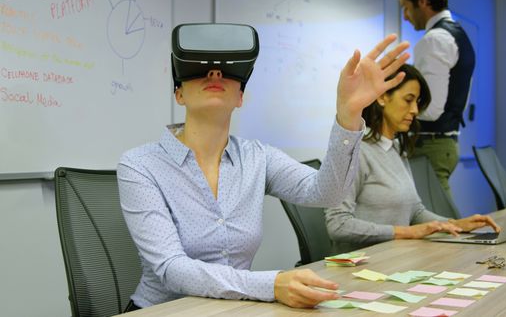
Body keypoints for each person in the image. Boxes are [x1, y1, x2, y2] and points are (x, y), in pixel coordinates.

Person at [117, 26, 410, 310]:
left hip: (235, 309)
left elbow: (327, 194)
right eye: (199, 69)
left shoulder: (258, 158)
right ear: (178, 94)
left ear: (241, 97)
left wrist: (348, 114)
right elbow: (172, 268)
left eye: (228, 71)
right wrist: (272, 285)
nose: (215, 73)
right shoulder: (140, 165)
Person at [325, 64, 498, 253]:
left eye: (417, 102)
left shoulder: (396, 148)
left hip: (395, 258)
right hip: (363, 267)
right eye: (408, 100)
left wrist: (454, 224)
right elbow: (338, 225)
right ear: (382, 97)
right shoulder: (354, 152)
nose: (415, 110)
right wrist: (406, 232)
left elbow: (415, 212)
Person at [389, 0, 476, 199]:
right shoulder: (459, 35)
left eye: (406, 8)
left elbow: (430, 108)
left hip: (430, 146)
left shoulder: (434, 41)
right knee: (436, 222)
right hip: (444, 143)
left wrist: (389, 108)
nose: (405, 16)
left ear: (423, 1)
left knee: (442, 226)